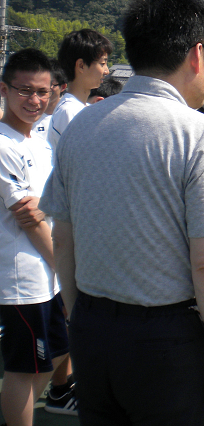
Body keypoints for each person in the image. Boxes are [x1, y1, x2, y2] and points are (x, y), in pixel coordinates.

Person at [40, 0, 204, 424]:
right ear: (197, 54)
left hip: (92, 331)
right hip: (164, 343)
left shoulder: (81, 126)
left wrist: (84, 320)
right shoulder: (199, 133)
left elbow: (64, 238)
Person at [0, 49, 74, 426]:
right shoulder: (2, 144)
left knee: (57, 351)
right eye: (24, 91)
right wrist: (62, 264)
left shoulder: (38, 142)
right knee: (24, 370)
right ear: (4, 90)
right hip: (21, 279)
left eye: (43, 92)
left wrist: (43, 205)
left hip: (48, 275)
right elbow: (29, 218)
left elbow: (44, 204)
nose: (35, 100)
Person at [48, 29, 111, 149]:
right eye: (102, 64)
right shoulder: (69, 111)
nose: (106, 71)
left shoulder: (81, 108)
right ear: (81, 65)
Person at [33, 59, 66, 139]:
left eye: (51, 84)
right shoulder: (29, 116)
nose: (46, 89)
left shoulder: (66, 115)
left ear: (63, 87)